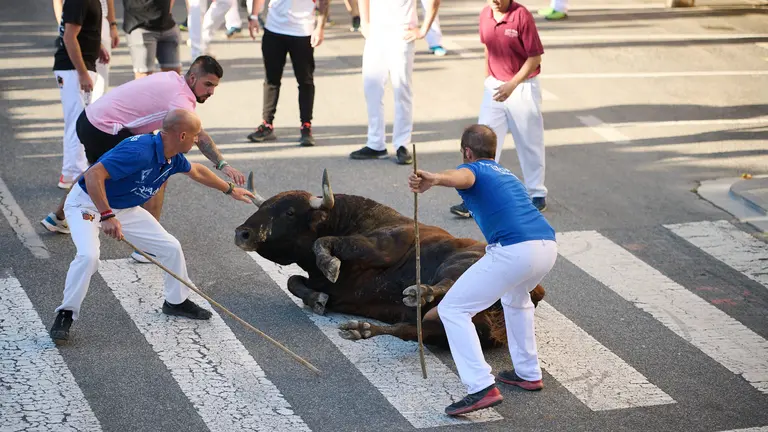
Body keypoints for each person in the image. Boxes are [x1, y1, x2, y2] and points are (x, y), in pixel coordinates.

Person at [48, 109, 256, 345]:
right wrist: (105, 215)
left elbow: (196, 170)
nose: (198, 140)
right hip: (88, 204)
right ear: (182, 135)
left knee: (171, 247)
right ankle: (65, 313)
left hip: (123, 208)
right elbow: (94, 174)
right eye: (195, 135)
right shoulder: (139, 151)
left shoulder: (172, 155)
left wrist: (230, 190)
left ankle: (175, 302)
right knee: (89, 256)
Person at [408, 124, 557, 416]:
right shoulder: (507, 174)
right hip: (546, 246)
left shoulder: (476, 170)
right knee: (516, 299)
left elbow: (463, 176)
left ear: (467, 151)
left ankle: (480, 387)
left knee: (452, 310)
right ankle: (528, 373)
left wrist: (435, 178)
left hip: (514, 251)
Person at [41, 56, 246, 263]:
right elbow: (199, 136)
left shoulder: (172, 78)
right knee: (159, 171)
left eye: (214, 86)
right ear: (192, 78)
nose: (211, 91)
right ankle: (148, 248)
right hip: (105, 127)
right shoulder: (181, 99)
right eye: (208, 85)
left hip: (90, 119)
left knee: (97, 170)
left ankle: (58, 217)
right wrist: (223, 165)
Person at [449, 0, 548, 218]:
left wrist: (512, 84)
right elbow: (488, 47)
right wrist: (488, 78)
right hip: (494, 86)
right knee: (481, 141)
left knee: (529, 141)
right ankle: (476, 196)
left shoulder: (521, 16)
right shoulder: (485, 14)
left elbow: (535, 57)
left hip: (521, 86)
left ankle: (536, 193)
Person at [348, 0, 440, 165]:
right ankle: (376, 143)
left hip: (402, 33)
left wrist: (424, 30)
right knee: (372, 88)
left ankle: (402, 144)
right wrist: (365, 22)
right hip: (376, 33)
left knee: (401, 89)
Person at [245, 0, 331, 146]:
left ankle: (306, 126)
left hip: (302, 31)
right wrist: (253, 16)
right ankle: (267, 124)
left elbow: (324, 1)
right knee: (271, 79)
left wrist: (320, 27)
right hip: (274, 29)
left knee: (305, 80)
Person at [122, 0, 182, 79]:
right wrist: (112, 24)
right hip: (140, 25)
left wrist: (168, 10)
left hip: (167, 24)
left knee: (174, 77)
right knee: (144, 77)